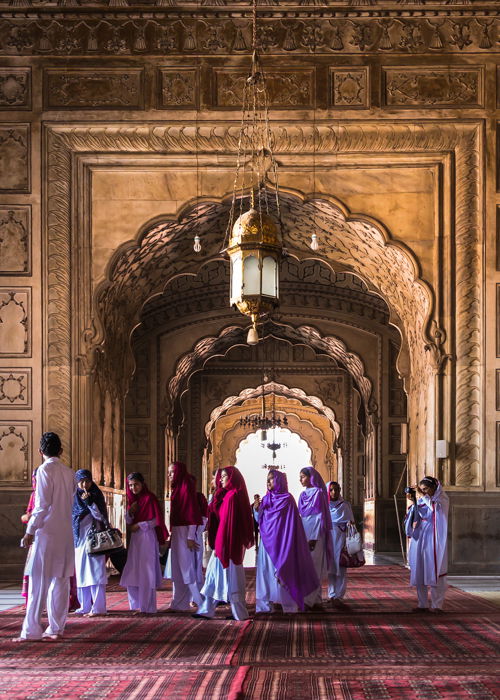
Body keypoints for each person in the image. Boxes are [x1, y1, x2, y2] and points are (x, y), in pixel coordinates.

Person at [13, 432, 75, 642]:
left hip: (47, 533)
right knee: (61, 581)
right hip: (66, 533)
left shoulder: (43, 470)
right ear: (61, 450)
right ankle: (56, 629)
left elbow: (41, 506)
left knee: (38, 582)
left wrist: (30, 531)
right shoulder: (69, 472)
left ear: (40, 452)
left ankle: (31, 630)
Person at [194, 466, 254, 621]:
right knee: (214, 575)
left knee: (231, 578)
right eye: (220, 476)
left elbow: (232, 523)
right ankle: (207, 609)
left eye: (224, 476)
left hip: (229, 543)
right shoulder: (225, 495)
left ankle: (239, 613)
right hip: (223, 540)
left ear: (232, 478)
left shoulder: (233, 496)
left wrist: (227, 545)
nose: (221, 479)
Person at [255, 470, 319, 614]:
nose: (268, 482)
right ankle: (271, 601)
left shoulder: (288, 499)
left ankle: (286, 604)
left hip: (283, 543)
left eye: (272, 479)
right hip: (267, 543)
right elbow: (260, 520)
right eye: (268, 479)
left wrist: (289, 543)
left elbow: (292, 524)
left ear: (279, 481)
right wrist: (256, 510)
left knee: (283, 572)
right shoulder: (266, 499)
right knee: (268, 572)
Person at [120, 472, 168, 614]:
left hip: (147, 537)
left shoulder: (149, 498)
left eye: (136, 484)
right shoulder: (132, 500)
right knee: (133, 571)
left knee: (146, 571)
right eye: (130, 485)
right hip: (135, 540)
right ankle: (135, 605)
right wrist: (130, 512)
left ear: (142, 484)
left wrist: (140, 525)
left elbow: (155, 520)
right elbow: (128, 521)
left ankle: (148, 607)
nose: (133, 488)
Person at [405, 475, 449, 613]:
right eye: (421, 489)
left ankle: (437, 605)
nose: (423, 492)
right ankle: (422, 604)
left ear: (434, 488)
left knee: (436, 571)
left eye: (426, 489)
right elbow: (415, 515)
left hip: (435, 540)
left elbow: (435, 510)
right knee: (420, 569)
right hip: (421, 537)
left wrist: (421, 497)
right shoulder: (422, 500)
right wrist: (413, 502)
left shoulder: (442, 499)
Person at [164, 462, 203, 612]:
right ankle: (179, 603)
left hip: (185, 533)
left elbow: (192, 513)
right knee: (177, 570)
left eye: (172, 472)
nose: (169, 476)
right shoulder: (177, 488)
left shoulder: (186, 487)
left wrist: (190, 537)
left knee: (187, 570)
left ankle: (201, 603)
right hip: (177, 532)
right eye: (168, 473)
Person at [72, 469, 108, 616]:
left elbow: (100, 516)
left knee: (95, 573)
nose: (84, 484)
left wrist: (90, 503)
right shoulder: (74, 497)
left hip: (94, 539)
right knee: (81, 574)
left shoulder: (96, 495)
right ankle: (84, 606)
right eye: (81, 481)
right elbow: (71, 517)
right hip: (79, 540)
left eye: (87, 481)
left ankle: (99, 608)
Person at [298, 467, 332, 609]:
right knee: (306, 565)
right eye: (299, 477)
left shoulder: (319, 493)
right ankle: (315, 599)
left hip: (316, 535)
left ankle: (310, 600)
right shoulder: (302, 495)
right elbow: (300, 517)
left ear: (310, 477)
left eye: (303, 477)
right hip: (304, 533)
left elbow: (320, 517)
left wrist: (314, 537)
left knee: (315, 565)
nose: (300, 479)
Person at [326, 481, 354, 606]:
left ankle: (339, 596)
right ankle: (331, 595)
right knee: (331, 568)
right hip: (328, 539)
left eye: (336, 489)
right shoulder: (324, 506)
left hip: (341, 539)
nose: (334, 492)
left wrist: (349, 524)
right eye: (331, 490)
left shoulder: (344, 505)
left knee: (340, 567)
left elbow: (351, 521)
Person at [20, 469, 37, 603]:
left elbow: (34, 514)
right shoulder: (34, 495)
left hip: (40, 534)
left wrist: (27, 517)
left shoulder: (39, 495)